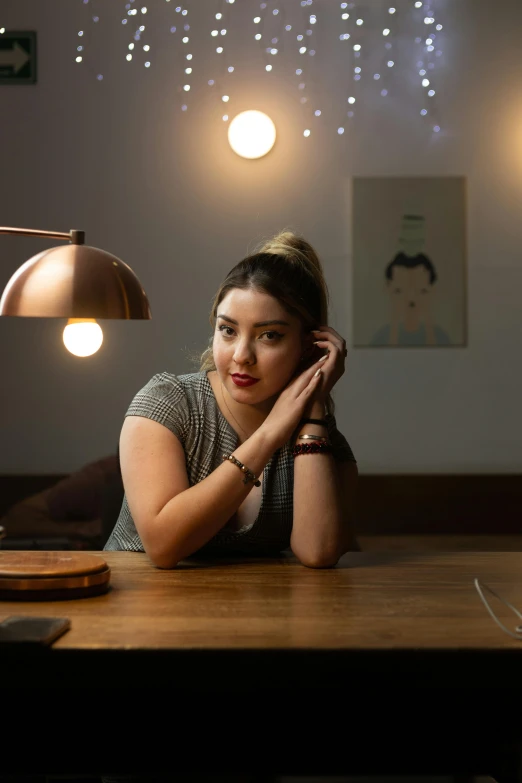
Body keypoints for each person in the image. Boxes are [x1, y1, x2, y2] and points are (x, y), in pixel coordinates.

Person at [104, 230, 359, 568]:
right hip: (134, 608)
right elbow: (164, 547)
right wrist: (269, 435)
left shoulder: (320, 443)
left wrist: (313, 408)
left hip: (248, 617)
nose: (242, 356)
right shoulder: (168, 403)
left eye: (269, 335)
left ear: (309, 347)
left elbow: (319, 551)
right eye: (228, 330)